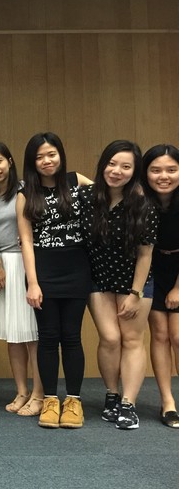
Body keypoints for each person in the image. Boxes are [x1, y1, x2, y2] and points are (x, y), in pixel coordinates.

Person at [17, 132, 92, 429]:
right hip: (43, 270)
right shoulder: (25, 192)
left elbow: (113, 194)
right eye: (40, 157)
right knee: (48, 337)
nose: (47, 161)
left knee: (72, 336)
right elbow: (25, 241)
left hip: (77, 267)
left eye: (52, 154)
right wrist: (32, 283)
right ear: (32, 162)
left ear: (61, 155)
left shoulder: (77, 181)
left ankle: (73, 401)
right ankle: (50, 400)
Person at [81, 140, 156, 430]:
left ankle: (129, 403)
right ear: (102, 165)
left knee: (132, 340)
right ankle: (112, 394)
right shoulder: (87, 197)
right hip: (98, 279)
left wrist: (136, 294)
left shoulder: (142, 203)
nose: (116, 171)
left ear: (134, 171)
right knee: (110, 338)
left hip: (134, 282)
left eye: (126, 166)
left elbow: (146, 253)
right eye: (112, 164)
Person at [0, 141, 43, 417]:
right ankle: (22, 391)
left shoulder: (26, 189)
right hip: (2, 266)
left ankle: (39, 393)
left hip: (26, 264)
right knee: (14, 337)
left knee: (32, 335)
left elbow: (78, 182)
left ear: (11, 161)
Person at [142, 144, 179, 429]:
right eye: (156, 170)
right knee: (160, 334)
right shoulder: (140, 200)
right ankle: (167, 401)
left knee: (178, 336)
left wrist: (177, 289)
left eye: (171, 170)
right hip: (152, 268)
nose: (163, 176)